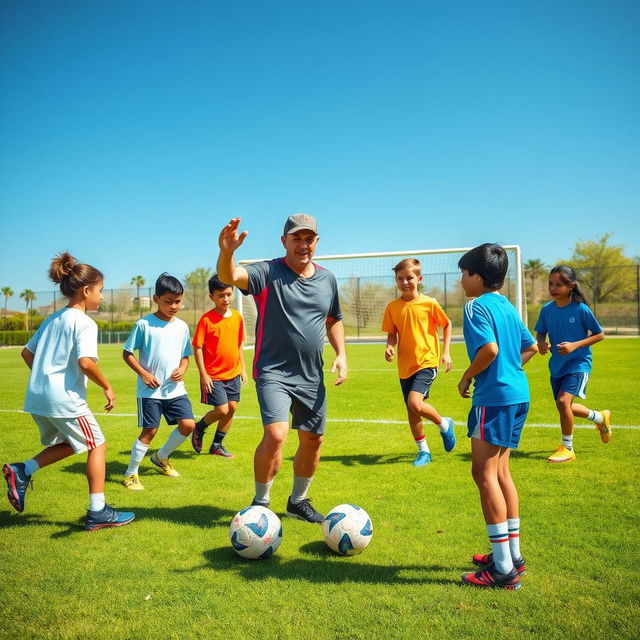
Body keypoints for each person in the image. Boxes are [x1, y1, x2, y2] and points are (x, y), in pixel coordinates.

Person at [217, 214, 347, 523]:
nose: (303, 245)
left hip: (311, 375)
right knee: (276, 435)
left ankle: (298, 501)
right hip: (273, 371)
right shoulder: (268, 272)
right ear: (284, 241)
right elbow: (230, 276)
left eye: (309, 239)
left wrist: (341, 354)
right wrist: (226, 251)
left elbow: (334, 319)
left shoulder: (327, 279)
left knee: (313, 439)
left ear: (316, 242)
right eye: (296, 239)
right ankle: (260, 503)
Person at [2, 252, 135, 531]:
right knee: (97, 445)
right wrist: (108, 387)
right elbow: (85, 362)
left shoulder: (53, 319)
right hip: (65, 400)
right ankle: (98, 511)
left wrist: (45, 379)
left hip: (38, 398)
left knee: (71, 443)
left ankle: (23, 470)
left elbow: (27, 353)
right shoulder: (85, 322)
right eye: (100, 291)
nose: (102, 297)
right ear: (86, 291)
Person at [457, 244, 538, 590]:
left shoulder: (475, 306)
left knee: (484, 473)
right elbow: (531, 346)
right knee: (502, 471)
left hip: (494, 399)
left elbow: (488, 350)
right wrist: (511, 371)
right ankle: (511, 555)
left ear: (477, 276)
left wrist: (466, 376)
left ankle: (503, 569)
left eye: (464, 273)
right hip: (518, 395)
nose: (462, 280)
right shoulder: (506, 305)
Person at [122, 273, 196, 491]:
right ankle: (131, 474)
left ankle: (161, 457)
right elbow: (127, 353)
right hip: (149, 391)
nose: (174, 306)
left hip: (175, 389)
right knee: (150, 430)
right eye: (168, 301)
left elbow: (185, 356)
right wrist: (144, 374)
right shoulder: (144, 324)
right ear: (156, 299)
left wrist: (182, 369)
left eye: (178, 301)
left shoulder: (182, 326)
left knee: (188, 424)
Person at [382, 258, 456, 466]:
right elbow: (392, 333)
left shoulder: (429, 303)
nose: (405, 282)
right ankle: (424, 451)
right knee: (411, 409)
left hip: (427, 361)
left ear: (419, 279)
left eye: (409, 278)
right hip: (405, 366)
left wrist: (446, 352)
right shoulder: (392, 307)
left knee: (415, 402)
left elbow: (447, 324)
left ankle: (444, 424)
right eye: (400, 278)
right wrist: (390, 346)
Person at [534, 265, 611, 463]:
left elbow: (599, 335)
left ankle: (567, 448)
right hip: (557, 366)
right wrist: (541, 343)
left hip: (579, 364)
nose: (553, 288)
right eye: (550, 283)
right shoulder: (546, 310)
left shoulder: (581, 309)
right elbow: (540, 331)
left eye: (559, 284)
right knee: (564, 406)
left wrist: (574, 345)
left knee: (562, 402)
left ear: (571, 286)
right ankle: (600, 418)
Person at [191, 274, 247, 457]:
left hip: (233, 373)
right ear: (211, 297)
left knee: (232, 408)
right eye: (221, 295)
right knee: (221, 409)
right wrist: (203, 374)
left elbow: (238, 345)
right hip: (214, 375)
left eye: (229, 294)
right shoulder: (206, 320)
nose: (226, 299)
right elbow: (197, 348)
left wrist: (243, 369)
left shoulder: (237, 317)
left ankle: (217, 445)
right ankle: (199, 427)